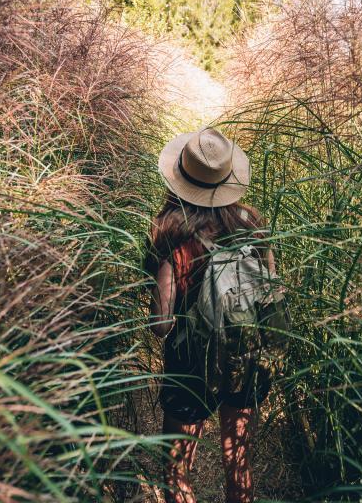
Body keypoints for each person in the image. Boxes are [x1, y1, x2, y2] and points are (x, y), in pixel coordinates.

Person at [144, 128, 278, 503]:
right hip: (243, 355)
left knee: (176, 469)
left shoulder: (170, 234)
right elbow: (270, 297)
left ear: (180, 180)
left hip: (190, 365)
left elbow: (161, 325)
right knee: (238, 463)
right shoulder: (254, 226)